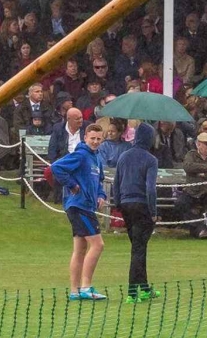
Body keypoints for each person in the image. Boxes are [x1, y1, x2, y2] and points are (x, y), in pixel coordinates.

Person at [49, 123, 108, 302]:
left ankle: (74, 291)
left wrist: (101, 195)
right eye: (92, 138)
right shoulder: (81, 154)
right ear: (85, 138)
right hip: (79, 205)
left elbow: (99, 181)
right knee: (98, 245)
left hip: (89, 205)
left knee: (80, 248)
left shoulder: (97, 158)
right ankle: (86, 287)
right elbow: (56, 168)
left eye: (98, 139)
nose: (95, 142)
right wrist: (72, 185)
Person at [115, 123, 159, 301]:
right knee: (139, 250)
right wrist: (153, 210)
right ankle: (132, 293)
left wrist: (118, 204)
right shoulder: (151, 160)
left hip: (126, 204)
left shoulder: (124, 156)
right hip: (142, 205)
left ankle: (145, 288)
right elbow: (151, 188)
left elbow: (117, 182)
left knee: (138, 247)